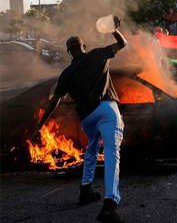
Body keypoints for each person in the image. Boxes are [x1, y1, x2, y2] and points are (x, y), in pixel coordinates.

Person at [31, 16, 127, 222]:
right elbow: (122, 44)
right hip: (107, 109)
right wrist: (113, 29)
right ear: (83, 46)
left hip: (87, 118)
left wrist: (40, 126)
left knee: (92, 149)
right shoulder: (96, 55)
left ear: (69, 53)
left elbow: (53, 102)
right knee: (111, 153)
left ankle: (85, 190)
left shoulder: (66, 73)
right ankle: (110, 204)